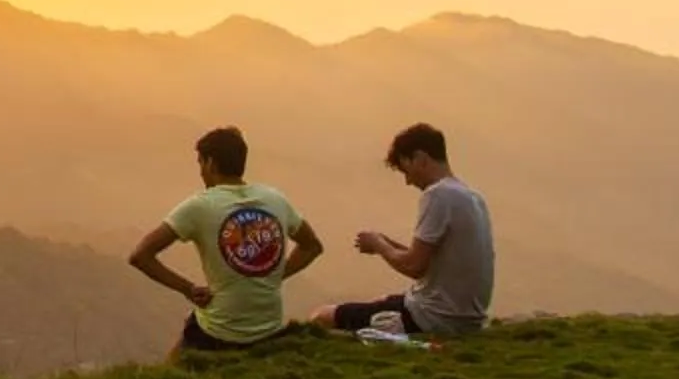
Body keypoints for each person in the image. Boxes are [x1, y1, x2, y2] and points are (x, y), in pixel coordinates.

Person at [127, 125, 323, 354]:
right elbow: (312, 246)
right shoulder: (275, 199)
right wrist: (273, 275)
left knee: (179, 354)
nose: (200, 171)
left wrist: (188, 289)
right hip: (271, 328)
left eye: (200, 163)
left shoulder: (199, 206)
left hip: (221, 332)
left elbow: (140, 256)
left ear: (210, 163)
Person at [315, 122, 495, 335]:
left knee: (321, 316)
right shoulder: (473, 197)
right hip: (468, 318)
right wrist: (387, 243)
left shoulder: (438, 195)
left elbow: (414, 267)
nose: (408, 181)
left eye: (406, 170)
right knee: (380, 300)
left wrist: (379, 245)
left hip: (433, 319)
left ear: (420, 158)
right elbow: (434, 261)